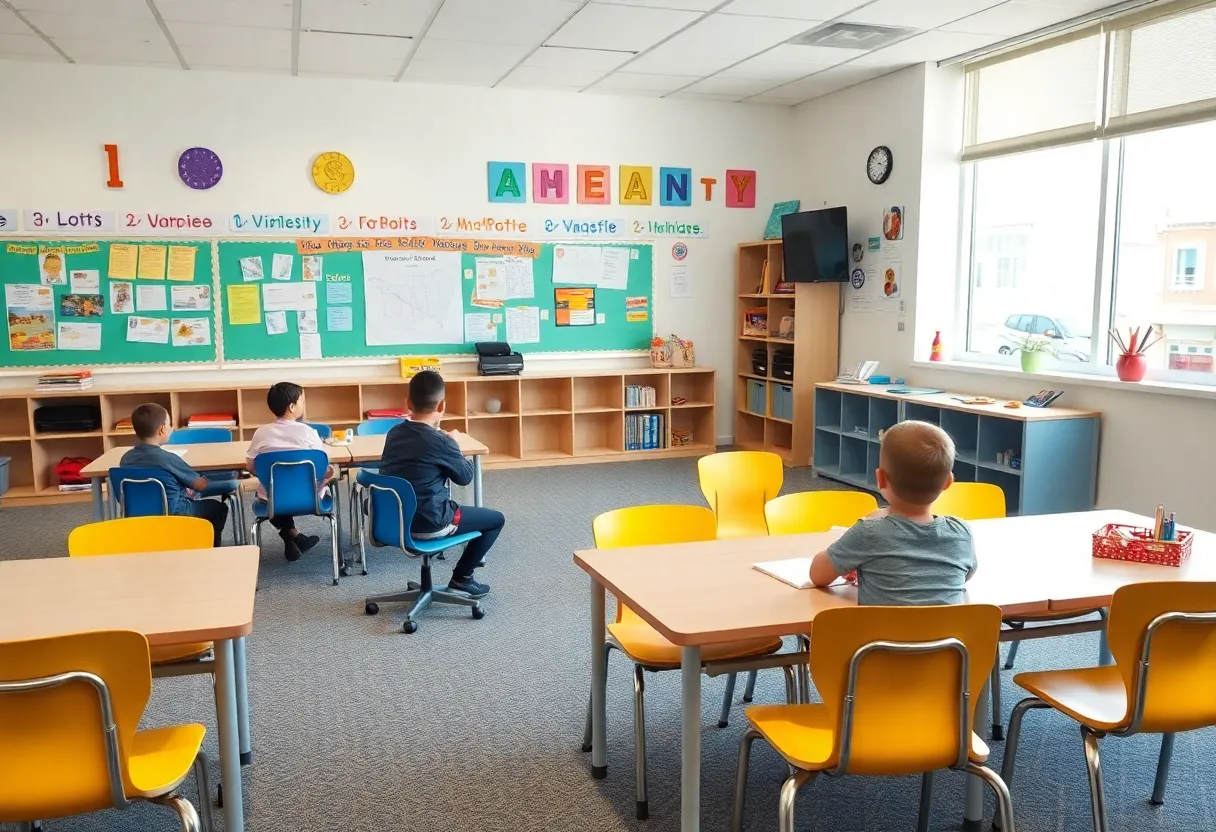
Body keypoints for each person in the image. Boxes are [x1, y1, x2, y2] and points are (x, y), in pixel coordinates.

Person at [809, 420, 976, 604]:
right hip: (947, 633)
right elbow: (963, 575)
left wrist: (864, 561)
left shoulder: (868, 533)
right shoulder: (960, 532)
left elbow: (818, 575)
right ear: (948, 482)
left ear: (880, 479)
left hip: (878, 634)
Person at [380, 370, 504, 598]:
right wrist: (453, 443)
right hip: (430, 522)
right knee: (495, 520)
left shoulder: (393, 433)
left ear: (407, 403)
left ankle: (458, 579)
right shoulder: (440, 442)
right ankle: (462, 578)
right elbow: (465, 477)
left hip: (393, 522)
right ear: (441, 406)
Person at [246, 382, 336, 561]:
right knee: (323, 481)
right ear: (292, 407)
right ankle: (294, 537)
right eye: (302, 401)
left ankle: (291, 537)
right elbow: (323, 469)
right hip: (309, 498)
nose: (304, 404)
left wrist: (269, 476)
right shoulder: (309, 432)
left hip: (274, 497)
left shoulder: (261, 433)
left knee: (274, 489)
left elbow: (250, 466)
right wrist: (327, 476)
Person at [120, 403, 228, 547]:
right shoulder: (168, 459)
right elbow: (200, 484)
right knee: (219, 508)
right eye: (170, 424)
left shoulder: (125, 459)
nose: (171, 428)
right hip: (175, 513)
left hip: (138, 513)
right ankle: (209, 548)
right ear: (162, 429)